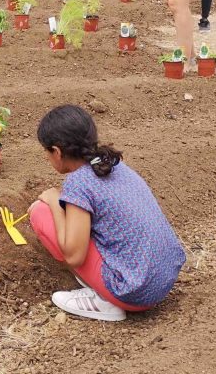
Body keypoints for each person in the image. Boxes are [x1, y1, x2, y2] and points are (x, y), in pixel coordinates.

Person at [27, 104, 185, 322]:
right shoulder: (112, 164)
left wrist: (55, 203)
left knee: (40, 212)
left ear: (57, 152)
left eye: (46, 152)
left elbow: (74, 256)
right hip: (163, 280)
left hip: (134, 293)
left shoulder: (78, 183)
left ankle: (103, 298)